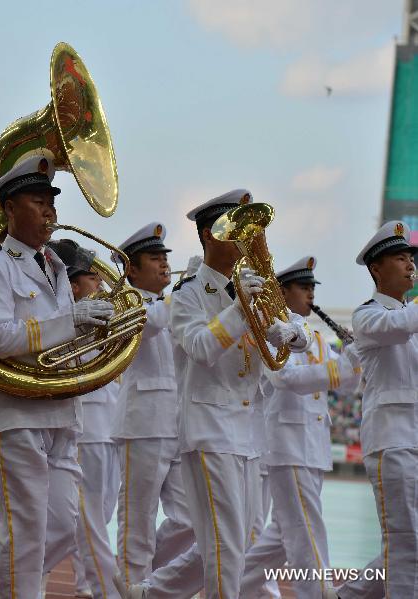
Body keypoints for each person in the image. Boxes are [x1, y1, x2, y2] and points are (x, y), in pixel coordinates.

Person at [119, 189, 312, 599]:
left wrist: (289, 332)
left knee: (237, 542)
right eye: (234, 232)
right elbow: (200, 348)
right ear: (209, 235)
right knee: (225, 547)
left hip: (248, 432)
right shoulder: (188, 293)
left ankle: (151, 594)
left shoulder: (250, 285)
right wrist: (242, 311)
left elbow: (298, 336)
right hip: (208, 428)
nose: (244, 242)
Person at [0, 153, 115, 599]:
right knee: (24, 540)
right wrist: (73, 321)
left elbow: (59, 342)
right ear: (9, 208)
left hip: (60, 414)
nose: (50, 210)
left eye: (52, 201)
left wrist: (93, 342)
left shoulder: (57, 267)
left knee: (65, 528)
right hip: (14, 417)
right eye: (36, 200)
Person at [237, 256, 359, 599]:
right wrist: (341, 370)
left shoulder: (317, 337)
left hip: (312, 445)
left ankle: (231, 586)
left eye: (311, 288)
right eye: (303, 287)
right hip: (288, 443)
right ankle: (317, 592)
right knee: (306, 528)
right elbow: (284, 377)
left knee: (281, 534)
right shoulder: (274, 331)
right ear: (282, 291)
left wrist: (354, 355)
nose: (310, 294)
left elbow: (347, 383)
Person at [336, 221, 417, 599]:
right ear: (376, 269)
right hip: (393, 441)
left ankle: (345, 596)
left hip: (412, 437)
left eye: (410, 259)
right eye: (400, 258)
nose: (410, 265)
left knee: (408, 544)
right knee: (405, 542)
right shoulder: (368, 316)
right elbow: (400, 325)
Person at [111, 223, 193, 588]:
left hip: (177, 423)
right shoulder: (123, 303)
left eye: (165, 258)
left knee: (190, 520)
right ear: (131, 269)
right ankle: (131, 584)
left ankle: (146, 585)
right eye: (154, 258)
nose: (163, 264)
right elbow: (152, 324)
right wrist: (188, 292)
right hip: (141, 423)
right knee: (138, 519)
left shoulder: (171, 305)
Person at [47, 239, 121, 599]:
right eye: (94, 279)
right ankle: (105, 588)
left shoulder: (102, 318)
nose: (101, 285)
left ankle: (77, 580)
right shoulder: (65, 321)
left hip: (109, 427)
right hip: (85, 429)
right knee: (88, 520)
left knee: (100, 514)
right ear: (74, 286)